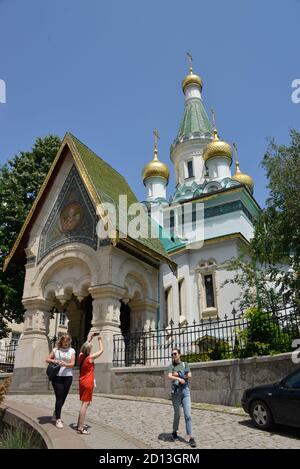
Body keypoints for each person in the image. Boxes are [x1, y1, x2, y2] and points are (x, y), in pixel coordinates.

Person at [168, 348, 196, 447]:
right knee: (177, 414)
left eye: (175, 353)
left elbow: (190, 375)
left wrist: (178, 374)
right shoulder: (171, 366)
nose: (173, 355)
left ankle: (191, 437)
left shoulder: (185, 364)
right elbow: (170, 376)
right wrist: (180, 377)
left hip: (185, 392)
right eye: (172, 354)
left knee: (188, 415)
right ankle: (174, 431)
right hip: (175, 393)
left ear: (179, 354)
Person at [76, 332, 104, 434]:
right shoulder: (90, 358)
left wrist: (89, 339)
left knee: (83, 403)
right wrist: (100, 340)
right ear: (89, 350)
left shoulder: (81, 356)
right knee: (85, 404)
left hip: (82, 381)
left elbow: (84, 347)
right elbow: (101, 350)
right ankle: (81, 428)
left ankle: (79, 424)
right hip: (88, 382)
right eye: (91, 348)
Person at [46, 333, 76, 429]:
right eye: (64, 341)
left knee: (63, 397)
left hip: (68, 377)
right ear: (61, 341)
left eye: (68, 341)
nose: (66, 343)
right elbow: (47, 359)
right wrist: (54, 361)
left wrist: (65, 364)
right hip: (57, 376)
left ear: (70, 341)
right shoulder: (56, 350)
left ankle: (56, 412)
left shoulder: (72, 351)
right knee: (59, 397)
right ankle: (58, 419)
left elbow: (72, 364)